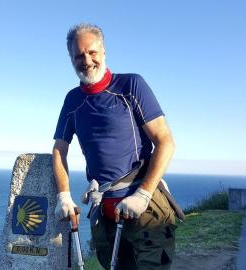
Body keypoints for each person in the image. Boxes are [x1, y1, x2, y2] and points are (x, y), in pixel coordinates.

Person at [53, 23, 177, 270]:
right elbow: (59, 150)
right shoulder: (72, 100)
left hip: (145, 208)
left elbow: (165, 142)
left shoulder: (130, 86)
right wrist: (63, 196)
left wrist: (143, 194)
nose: (86, 60)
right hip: (105, 211)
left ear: (104, 52)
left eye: (92, 52)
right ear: (71, 59)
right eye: (78, 55)